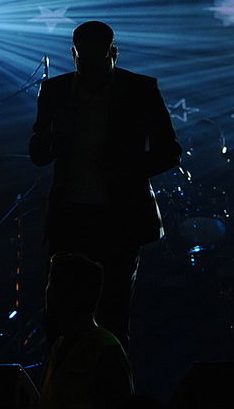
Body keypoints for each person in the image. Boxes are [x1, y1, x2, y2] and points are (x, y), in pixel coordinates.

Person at [28, 21, 182, 350]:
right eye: (85, 59)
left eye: (95, 58)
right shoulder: (55, 91)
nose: (90, 66)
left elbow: (169, 152)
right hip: (72, 219)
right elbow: (38, 155)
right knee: (61, 318)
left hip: (118, 220)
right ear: (74, 55)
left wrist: (124, 170)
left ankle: (98, 391)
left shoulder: (139, 89)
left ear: (112, 53)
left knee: (112, 315)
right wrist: (56, 133)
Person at [38, 253, 133, 409]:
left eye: (53, 283)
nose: (48, 291)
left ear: (71, 293)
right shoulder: (59, 346)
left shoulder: (106, 349)